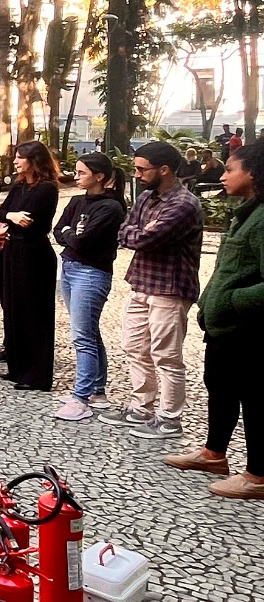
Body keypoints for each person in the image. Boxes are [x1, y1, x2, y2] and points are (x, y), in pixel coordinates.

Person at [163, 141, 264, 499]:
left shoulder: (262, 217)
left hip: (248, 329)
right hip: (223, 327)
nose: (222, 176)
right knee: (219, 388)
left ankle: (257, 476)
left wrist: (233, 301)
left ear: (252, 173)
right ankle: (213, 454)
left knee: (253, 397)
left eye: (229, 170)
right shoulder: (246, 212)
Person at [99, 141, 205, 440]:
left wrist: (140, 232)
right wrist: (139, 231)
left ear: (164, 169)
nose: (136, 174)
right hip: (141, 282)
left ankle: (170, 418)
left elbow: (148, 239)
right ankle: (140, 407)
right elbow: (126, 231)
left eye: (142, 169)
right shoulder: (147, 198)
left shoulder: (184, 204)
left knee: (167, 356)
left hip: (170, 288)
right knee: (134, 348)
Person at [51, 152, 127, 420]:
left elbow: (84, 241)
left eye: (82, 173)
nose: (77, 177)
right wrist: (72, 235)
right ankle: (96, 389)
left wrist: (71, 235)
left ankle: (81, 397)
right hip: (70, 268)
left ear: (100, 177)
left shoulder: (111, 207)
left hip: (92, 272)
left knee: (82, 336)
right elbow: (59, 230)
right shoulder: (76, 201)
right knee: (89, 332)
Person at [0, 140, 60, 391]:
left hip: (34, 252)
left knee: (34, 313)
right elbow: (0, 212)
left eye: (20, 158)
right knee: (13, 309)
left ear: (34, 161)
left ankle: (36, 374)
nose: (15, 161)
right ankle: (17, 367)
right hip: (13, 249)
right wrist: (10, 216)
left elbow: (30, 220)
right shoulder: (19, 187)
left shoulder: (46, 189)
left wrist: (12, 217)